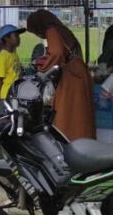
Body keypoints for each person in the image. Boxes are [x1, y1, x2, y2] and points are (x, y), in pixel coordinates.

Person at [27, 9, 95, 141]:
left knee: (68, 111)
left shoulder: (51, 30)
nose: (38, 34)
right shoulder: (61, 29)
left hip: (71, 75)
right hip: (78, 71)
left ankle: (69, 139)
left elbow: (57, 53)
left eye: (36, 31)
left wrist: (44, 70)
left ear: (39, 25)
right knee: (81, 111)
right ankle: (83, 138)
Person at [0, 25, 25, 109]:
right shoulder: (3, 55)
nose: (19, 38)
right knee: (13, 115)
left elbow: (18, 69)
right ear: (7, 38)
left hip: (16, 92)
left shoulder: (14, 53)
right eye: (16, 36)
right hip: (8, 94)